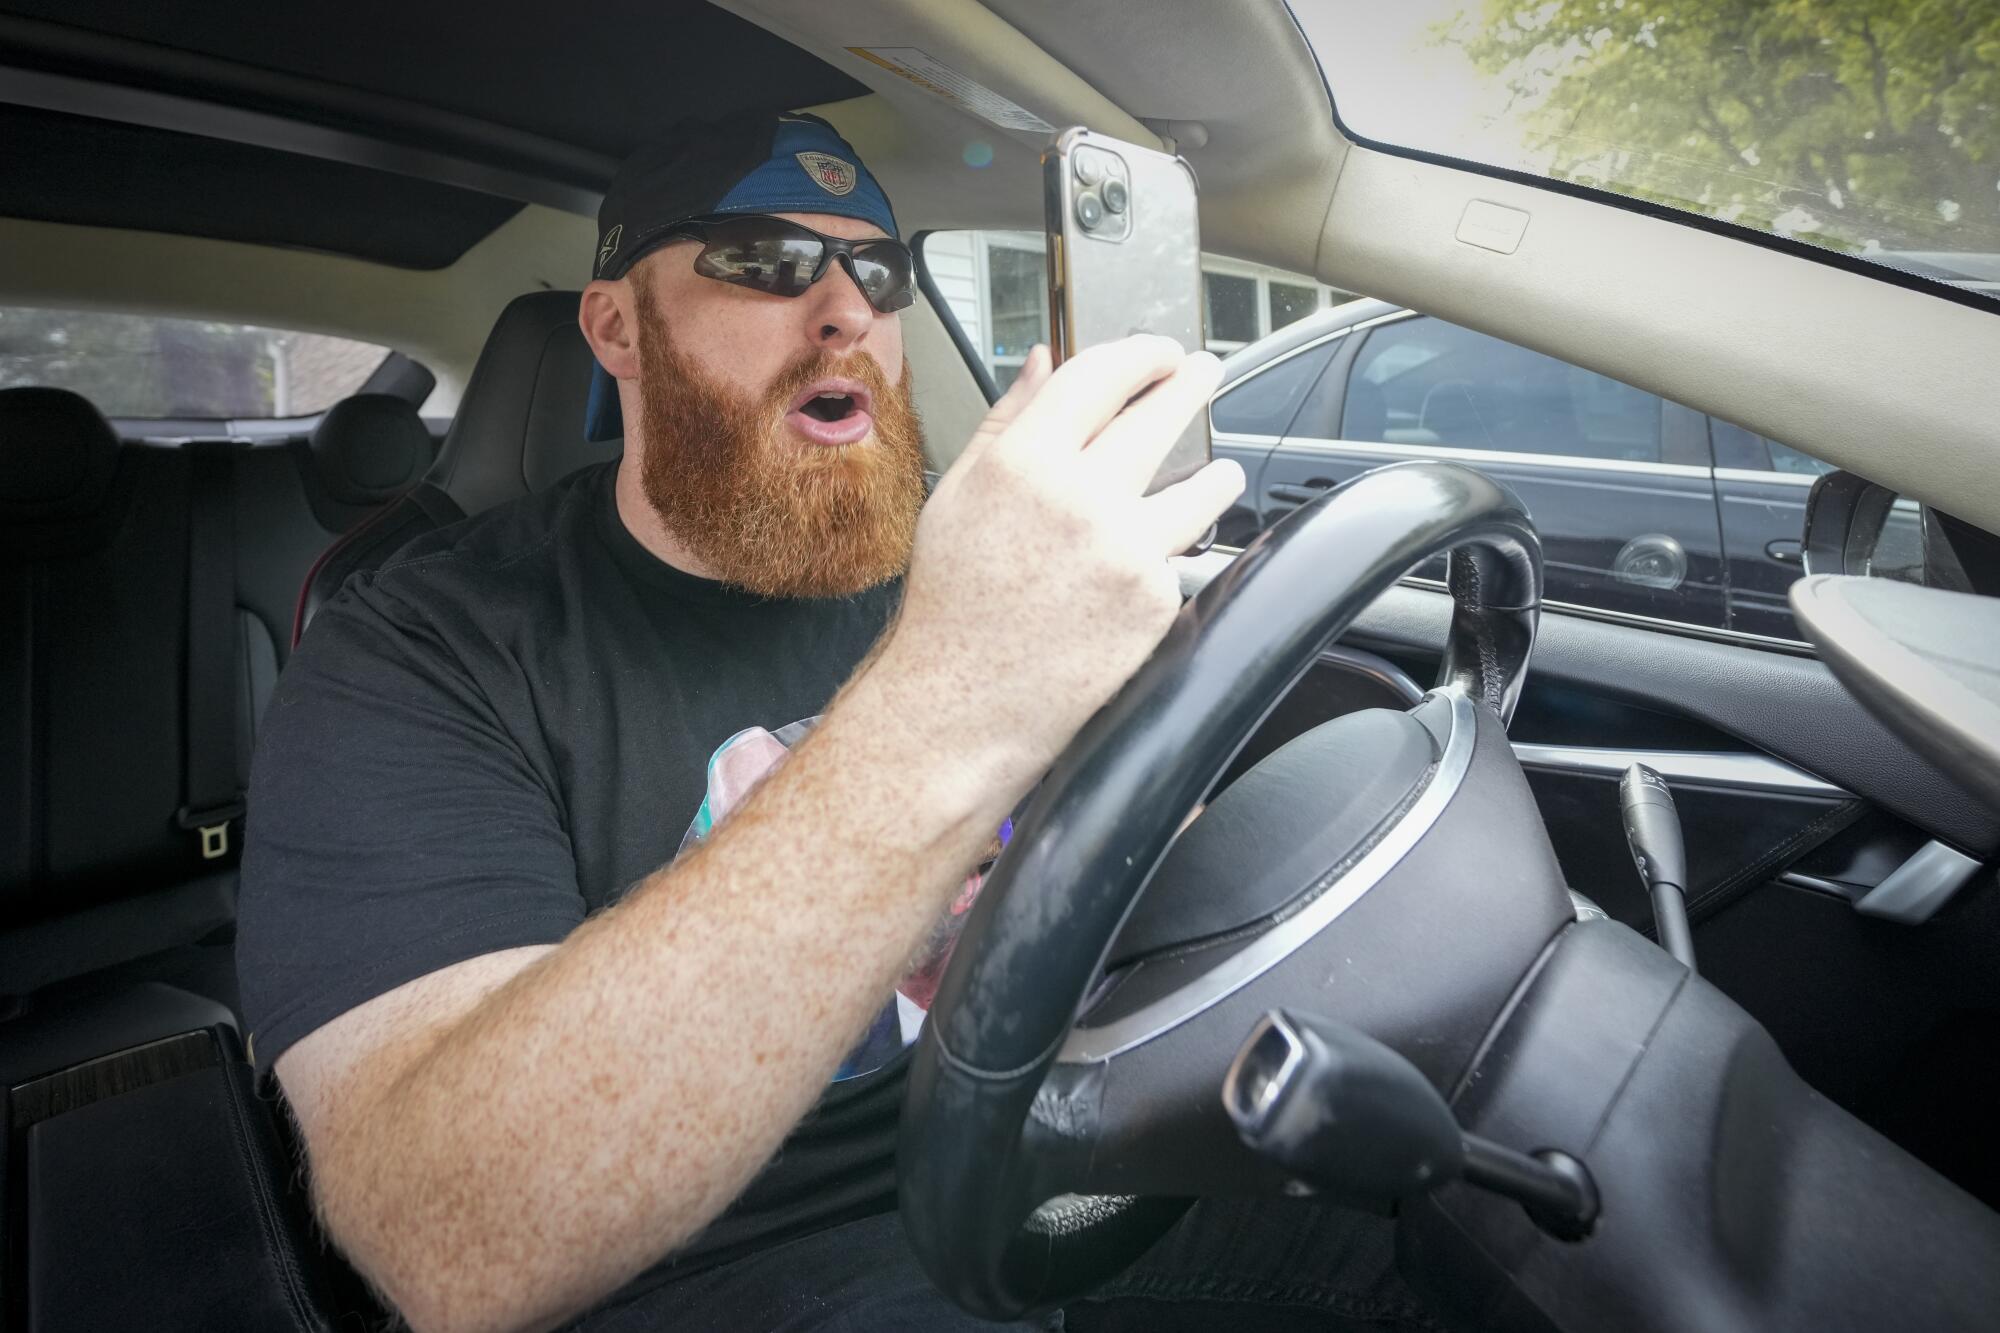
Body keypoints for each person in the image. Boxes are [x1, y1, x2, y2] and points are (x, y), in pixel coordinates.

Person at [237, 111, 1434, 1333]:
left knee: (1475, 1227)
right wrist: (951, 695)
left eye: (877, 271)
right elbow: (456, 1235)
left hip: (1070, 1165)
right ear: (615, 328)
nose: (843, 310)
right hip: (725, 1272)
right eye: (763, 262)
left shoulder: (984, 563)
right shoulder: (419, 652)